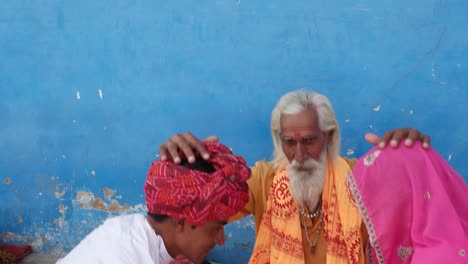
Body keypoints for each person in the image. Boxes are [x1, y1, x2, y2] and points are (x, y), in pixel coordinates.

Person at [159, 89, 431, 263]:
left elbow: (422, 207)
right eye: (289, 142)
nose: (299, 156)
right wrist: (180, 169)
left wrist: (412, 157)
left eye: (310, 141)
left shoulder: (360, 180)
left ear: (330, 137)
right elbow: (194, 210)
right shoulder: (264, 180)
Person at [57, 142, 251, 264]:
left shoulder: (132, 229)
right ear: (180, 222)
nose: (221, 240)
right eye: (216, 228)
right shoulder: (127, 255)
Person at [348, 141, 468, 263]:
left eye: (377, 204)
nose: (367, 217)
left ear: (403, 201)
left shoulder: (436, 258)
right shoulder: (448, 238)